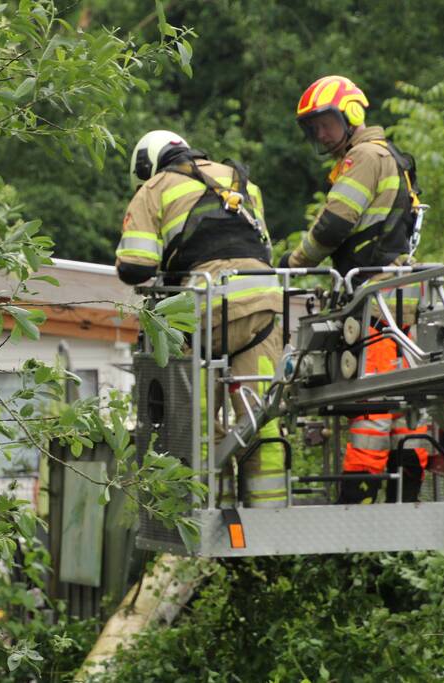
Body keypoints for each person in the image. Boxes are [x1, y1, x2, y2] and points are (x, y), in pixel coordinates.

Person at [116, 130, 285, 508]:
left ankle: (213, 510)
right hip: (263, 304)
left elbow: (135, 266)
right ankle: (270, 511)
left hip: (207, 309)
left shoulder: (154, 187)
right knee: (261, 417)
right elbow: (265, 249)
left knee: (201, 424)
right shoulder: (242, 182)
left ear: (146, 164)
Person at [278, 75, 428, 504]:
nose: (320, 134)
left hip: (374, 299)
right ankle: (408, 484)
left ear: (352, 115)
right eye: (313, 129)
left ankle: (358, 489)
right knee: (403, 396)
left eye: (325, 123)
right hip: (399, 296)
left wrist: (293, 263)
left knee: (372, 399)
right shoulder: (390, 156)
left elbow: (335, 223)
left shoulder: (362, 157)